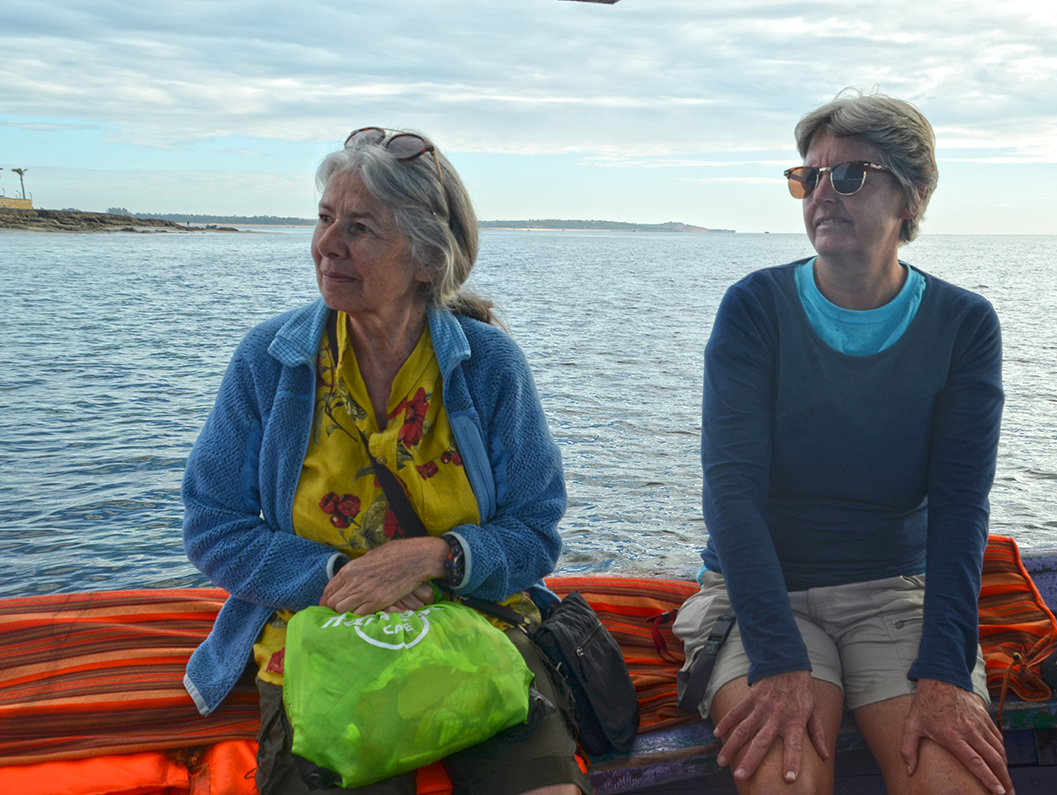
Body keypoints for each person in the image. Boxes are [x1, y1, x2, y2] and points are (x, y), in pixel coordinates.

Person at [181, 127, 589, 795]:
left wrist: (437, 557)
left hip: (472, 629)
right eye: (325, 219)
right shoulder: (271, 360)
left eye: (360, 228)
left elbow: (535, 532)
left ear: (426, 259)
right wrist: (341, 577)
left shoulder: (487, 365)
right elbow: (212, 524)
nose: (327, 244)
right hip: (319, 635)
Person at [672, 91, 1011, 795]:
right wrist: (777, 659)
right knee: (786, 777)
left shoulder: (963, 324)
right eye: (809, 176)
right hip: (764, 595)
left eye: (851, 174)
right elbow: (730, 494)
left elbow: (960, 507)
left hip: (897, 592)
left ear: (912, 198)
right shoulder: (755, 309)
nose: (823, 192)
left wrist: (946, 669)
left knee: (953, 781)